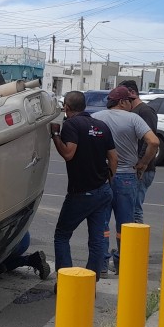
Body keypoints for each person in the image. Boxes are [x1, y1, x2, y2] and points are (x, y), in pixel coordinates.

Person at [50, 91, 117, 283]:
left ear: (67, 108)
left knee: (62, 235)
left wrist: (55, 134)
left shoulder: (71, 124)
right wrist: (108, 181)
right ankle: (90, 283)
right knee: (96, 240)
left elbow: (69, 154)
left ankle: (66, 281)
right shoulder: (101, 125)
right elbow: (114, 158)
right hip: (103, 191)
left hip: (81, 193)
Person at [92, 86, 159, 275]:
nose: (132, 104)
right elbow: (154, 142)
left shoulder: (97, 117)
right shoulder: (134, 119)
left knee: (101, 223)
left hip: (103, 177)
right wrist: (143, 163)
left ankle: (102, 265)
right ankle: (123, 265)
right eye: (129, 101)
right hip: (127, 178)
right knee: (126, 225)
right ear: (122, 102)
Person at [121, 80, 158, 223]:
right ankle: (129, 244)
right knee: (130, 208)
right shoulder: (133, 111)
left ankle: (136, 244)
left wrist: (142, 163)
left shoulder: (145, 111)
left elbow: (151, 141)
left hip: (142, 169)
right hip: (136, 167)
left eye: (124, 94)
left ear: (132, 92)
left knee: (135, 209)